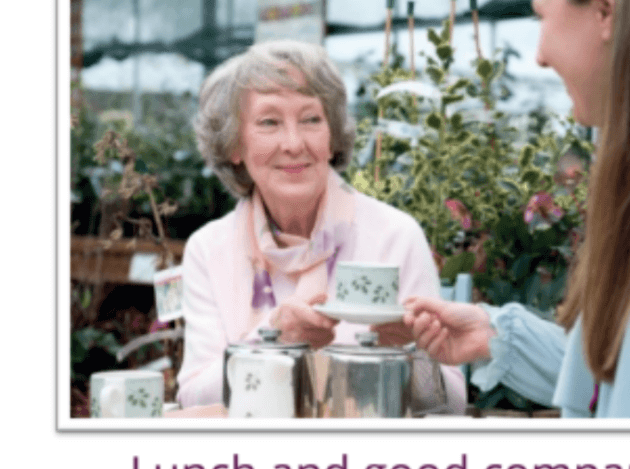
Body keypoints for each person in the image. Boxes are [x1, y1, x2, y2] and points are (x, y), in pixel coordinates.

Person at [405, 0, 630, 419]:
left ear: (606, 10)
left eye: (540, 17)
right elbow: (624, 384)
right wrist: (496, 335)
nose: (540, 56)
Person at [176, 39, 465, 412]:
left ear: (331, 138)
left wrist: (409, 353)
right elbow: (193, 397)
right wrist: (274, 340)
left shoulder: (394, 236)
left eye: (311, 119)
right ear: (234, 145)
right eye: (269, 122)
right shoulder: (209, 249)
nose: (294, 143)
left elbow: (452, 403)